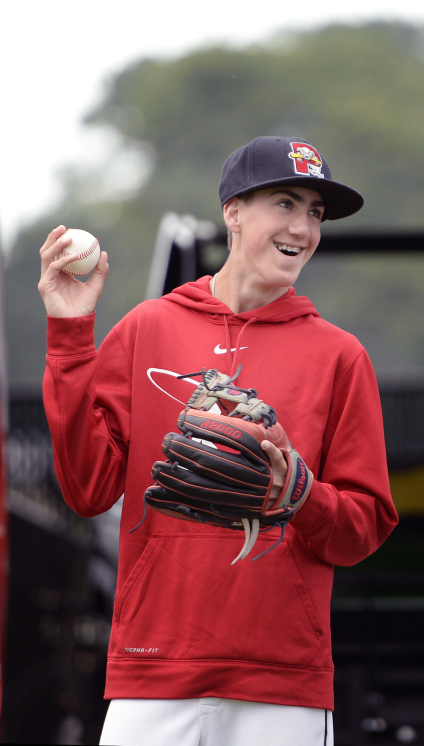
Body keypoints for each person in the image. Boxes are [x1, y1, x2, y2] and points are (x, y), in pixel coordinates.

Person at [38, 135, 399, 745]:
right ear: (233, 210)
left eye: (316, 212)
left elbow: (364, 528)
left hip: (281, 683)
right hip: (153, 672)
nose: (304, 227)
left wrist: (299, 493)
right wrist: (71, 334)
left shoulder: (341, 356)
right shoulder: (147, 328)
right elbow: (86, 490)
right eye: (286, 203)